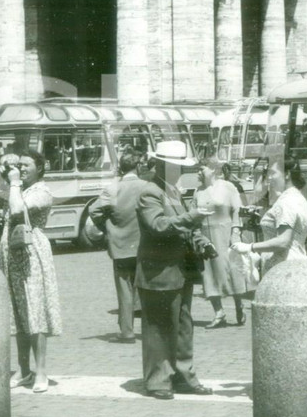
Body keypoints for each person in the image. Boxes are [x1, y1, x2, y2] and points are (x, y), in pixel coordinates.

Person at [0, 150, 61, 394]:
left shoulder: (42, 192)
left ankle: (41, 371)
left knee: (34, 311)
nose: (21, 169)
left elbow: (15, 211)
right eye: (18, 165)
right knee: (18, 312)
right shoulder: (16, 188)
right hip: (10, 255)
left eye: (26, 165)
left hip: (32, 254)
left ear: (40, 169)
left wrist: (13, 183)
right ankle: (24, 370)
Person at [135, 140, 214, 400]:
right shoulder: (150, 192)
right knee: (159, 327)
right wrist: (193, 217)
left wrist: (201, 241)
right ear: (161, 165)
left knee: (182, 325)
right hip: (158, 272)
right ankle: (158, 380)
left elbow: (182, 228)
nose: (180, 171)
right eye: (175, 166)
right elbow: (157, 225)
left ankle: (182, 375)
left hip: (178, 270)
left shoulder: (172, 191)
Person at [89, 150, 148, 342]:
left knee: (125, 290)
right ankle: (150, 330)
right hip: (144, 244)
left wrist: (108, 228)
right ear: (138, 166)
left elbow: (94, 210)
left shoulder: (113, 188)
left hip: (120, 246)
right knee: (146, 289)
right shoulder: (147, 187)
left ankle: (127, 331)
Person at [230, 155, 307, 277]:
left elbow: (283, 241)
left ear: (287, 174)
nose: (269, 178)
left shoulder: (286, 202)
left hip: (283, 271)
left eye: (273, 173)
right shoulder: (298, 198)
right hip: (296, 264)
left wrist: (249, 247)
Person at [193, 156, 246, 328]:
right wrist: (199, 237)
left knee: (231, 272)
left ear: (213, 170)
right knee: (208, 274)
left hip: (225, 234)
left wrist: (236, 232)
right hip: (207, 237)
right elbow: (193, 215)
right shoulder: (198, 191)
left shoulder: (228, 187)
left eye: (202, 169)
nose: (198, 172)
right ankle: (219, 312)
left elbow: (237, 211)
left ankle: (239, 304)